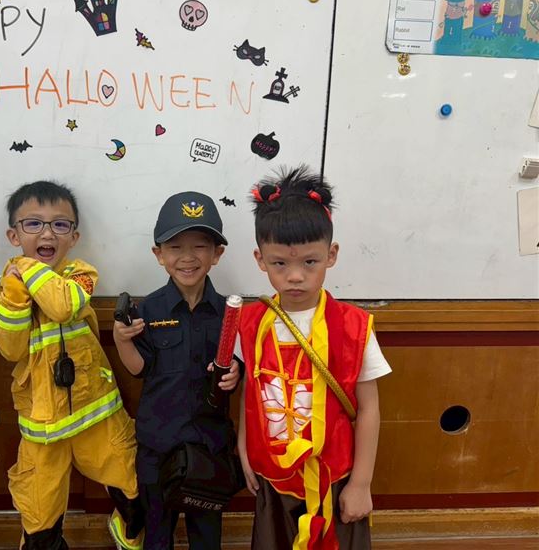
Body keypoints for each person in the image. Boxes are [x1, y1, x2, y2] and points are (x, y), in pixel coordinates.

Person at [236, 166, 392, 550]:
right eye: (280, 263)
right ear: (260, 259)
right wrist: (243, 447)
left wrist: (361, 484)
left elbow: (369, 408)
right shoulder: (250, 322)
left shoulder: (354, 327)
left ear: (331, 255)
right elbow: (250, 393)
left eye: (310, 262)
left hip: (334, 479)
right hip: (274, 478)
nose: (295, 276)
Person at [0, 181, 144, 550]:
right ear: (13, 235)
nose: (47, 234)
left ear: (74, 237)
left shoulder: (81, 273)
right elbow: (10, 349)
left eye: (60, 225)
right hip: (42, 422)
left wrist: (25, 267)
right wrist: (15, 294)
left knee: (131, 483)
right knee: (39, 512)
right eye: (33, 224)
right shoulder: (11, 288)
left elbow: (62, 306)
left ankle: (129, 530)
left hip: (96, 410)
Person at [112, 191, 242, 550]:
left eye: (200, 246)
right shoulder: (149, 309)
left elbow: (239, 364)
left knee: (207, 538)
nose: (187, 257)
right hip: (159, 446)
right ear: (159, 255)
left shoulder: (229, 312)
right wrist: (121, 339)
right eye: (175, 247)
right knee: (157, 536)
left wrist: (237, 372)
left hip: (209, 446)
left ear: (217, 254)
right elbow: (139, 368)